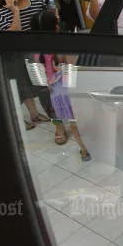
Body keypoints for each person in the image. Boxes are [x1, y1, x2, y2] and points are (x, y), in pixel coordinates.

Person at [0, 0, 57, 133]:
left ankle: (54, 116)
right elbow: (13, 36)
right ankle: (38, 115)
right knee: (26, 86)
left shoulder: (37, 4)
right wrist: (15, 11)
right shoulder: (1, 13)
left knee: (45, 87)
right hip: (19, 56)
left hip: (40, 54)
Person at [31, 10, 91, 162]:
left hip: (56, 94)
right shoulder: (63, 46)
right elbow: (72, 70)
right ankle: (91, 145)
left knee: (72, 123)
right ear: (55, 26)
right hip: (72, 91)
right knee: (82, 121)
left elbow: (40, 77)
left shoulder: (36, 52)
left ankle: (84, 150)